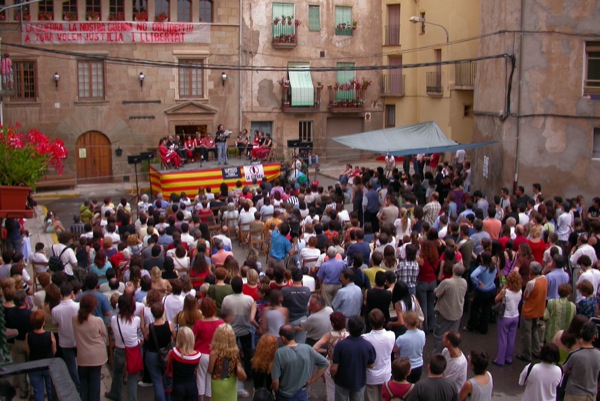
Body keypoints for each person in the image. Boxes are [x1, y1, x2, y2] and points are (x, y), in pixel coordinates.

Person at [272, 325, 329, 401]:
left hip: (285, 394)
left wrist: (277, 392)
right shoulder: (307, 348)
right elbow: (325, 363)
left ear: (283, 338)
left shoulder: (279, 353)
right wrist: (313, 380)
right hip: (302, 392)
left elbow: (275, 380)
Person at [106, 294, 142, 401]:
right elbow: (136, 334)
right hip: (133, 349)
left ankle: (115, 393)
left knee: (117, 372)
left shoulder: (114, 319)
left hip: (120, 349)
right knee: (132, 377)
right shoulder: (136, 320)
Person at [72, 294, 108, 401]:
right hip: (96, 355)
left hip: (82, 355)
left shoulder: (74, 319)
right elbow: (104, 335)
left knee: (83, 380)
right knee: (95, 381)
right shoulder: (98, 321)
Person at [312, 311, 348, 401]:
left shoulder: (328, 335)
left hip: (331, 363)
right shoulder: (349, 335)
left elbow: (314, 348)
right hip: (346, 364)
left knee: (331, 390)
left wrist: (326, 351)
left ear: (332, 323)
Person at [51, 282, 80, 393]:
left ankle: (76, 385)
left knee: (71, 365)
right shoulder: (78, 306)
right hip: (77, 339)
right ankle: (79, 384)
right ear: (72, 293)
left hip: (64, 340)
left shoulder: (55, 310)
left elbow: (56, 323)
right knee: (80, 363)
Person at [192, 298, 223, 401]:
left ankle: (200, 399)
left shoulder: (199, 323)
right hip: (215, 354)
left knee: (200, 378)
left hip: (201, 354)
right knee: (210, 378)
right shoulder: (220, 322)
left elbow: (193, 339)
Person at [432, 263, 467, 354]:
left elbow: (437, 293)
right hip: (457, 313)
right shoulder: (464, 282)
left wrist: (435, 290)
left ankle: (437, 356)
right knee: (452, 337)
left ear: (453, 270)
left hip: (445, 313)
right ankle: (450, 354)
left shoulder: (447, 282)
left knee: (440, 336)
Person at [362, 309, 396, 401]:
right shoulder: (391, 335)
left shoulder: (365, 339)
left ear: (369, 323)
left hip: (370, 377)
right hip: (385, 375)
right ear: (384, 320)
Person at [561, 321, 600, 400]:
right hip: (591, 395)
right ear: (594, 337)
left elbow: (563, 370)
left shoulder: (574, 354)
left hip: (574, 394)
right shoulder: (598, 354)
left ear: (581, 333)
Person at [517, 261, 547, 362]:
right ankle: (536, 350)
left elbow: (526, 295)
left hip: (528, 310)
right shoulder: (544, 279)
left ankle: (527, 353)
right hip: (539, 309)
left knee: (526, 332)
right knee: (534, 330)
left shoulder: (531, 283)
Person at [208, 324, 247, 400]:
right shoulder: (235, 352)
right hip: (231, 382)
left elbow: (210, 370)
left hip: (217, 383)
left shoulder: (214, 353)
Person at [144, 302, 174, 401]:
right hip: (166, 354)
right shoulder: (169, 324)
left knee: (157, 380)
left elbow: (146, 338)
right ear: (163, 312)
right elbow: (174, 337)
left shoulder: (149, 327)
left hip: (152, 354)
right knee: (167, 378)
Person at [25, 310, 56, 401]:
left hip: (34, 365)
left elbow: (28, 350)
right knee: (51, 389)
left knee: (38, 391)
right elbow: (54, 350)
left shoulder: (28, 335)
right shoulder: (50, 334)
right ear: (43, 322)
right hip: (48, 365)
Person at [493, 271, 523, 366]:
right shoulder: (520, 291)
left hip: (505, 316)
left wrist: (503, 288)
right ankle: (508, 357)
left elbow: (496, 299)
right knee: (511, 338)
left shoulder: (505, 292)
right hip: (515, 316)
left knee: (502, 338)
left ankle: (500, 359)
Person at [466, 252, 497, 335]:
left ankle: (472, 325)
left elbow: (472, 275)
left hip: (482, 291)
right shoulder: (494, 267)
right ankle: (483, 328)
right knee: (486, 310)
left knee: (475, 308)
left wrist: (478, 282)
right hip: (491, 289)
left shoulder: (482, 268)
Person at [168, 327, 202, 401]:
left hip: (177, 386)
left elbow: (169, 369)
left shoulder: (173, 353)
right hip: (192, 386)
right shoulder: (198, 355)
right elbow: (196, 370)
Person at [396, 311, 426, 383]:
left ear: (406, 323)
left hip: (405, 367)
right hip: (419, 365)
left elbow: (395, 349)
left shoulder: (401, 338)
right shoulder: (422, 333)